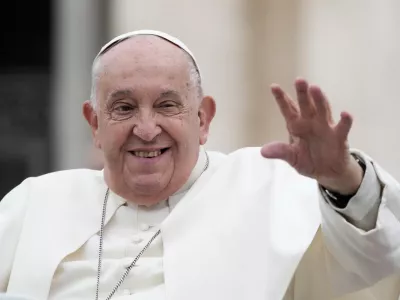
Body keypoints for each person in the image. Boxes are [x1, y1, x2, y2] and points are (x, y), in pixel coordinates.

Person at [0, 30, 399, 300]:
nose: (146, 128)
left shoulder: (266, 187)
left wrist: (341, 177)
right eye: (123, 108)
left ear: (203, 118)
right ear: (95, 124)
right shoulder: (34, 203)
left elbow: (379, 256)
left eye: (167, 105)